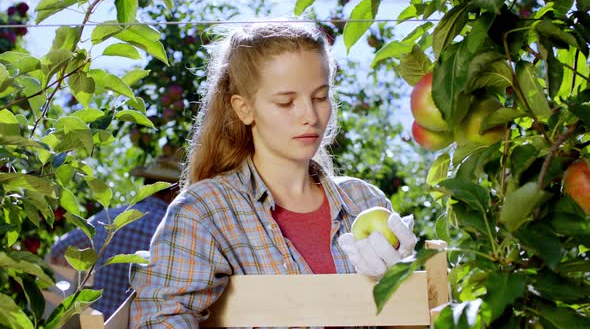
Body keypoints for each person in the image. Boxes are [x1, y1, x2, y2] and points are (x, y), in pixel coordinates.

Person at [129, 21, 417, 327]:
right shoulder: (204, 212)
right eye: (286, 102)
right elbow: (158, 318)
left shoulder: (364, 201)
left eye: (320, 97)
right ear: (244, 109)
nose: (310, 115)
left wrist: (405, 287)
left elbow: (411, 318)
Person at [48, 155, 182, 319]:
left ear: (146, 185)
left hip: (97, 322)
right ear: (175, 192)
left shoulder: (108, 218)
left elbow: (57, 251)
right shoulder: (177, 230)